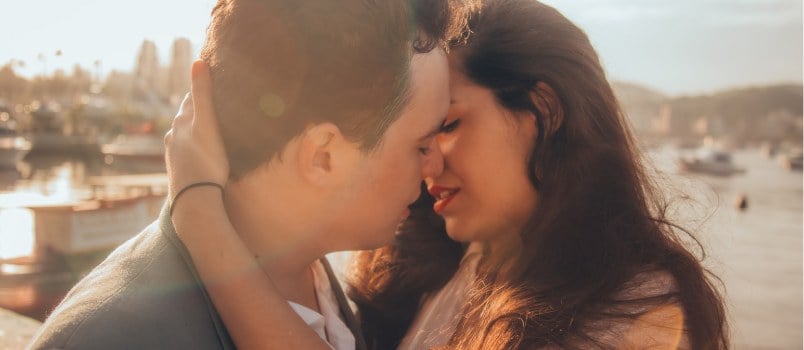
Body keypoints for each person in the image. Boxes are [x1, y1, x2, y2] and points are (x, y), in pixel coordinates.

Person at [167, 0, 729, 349]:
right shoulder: (455, 265)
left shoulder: (636, 306)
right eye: (420, 134)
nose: (429, 159)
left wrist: (199, 212)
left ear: (544, 112)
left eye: (451, 123)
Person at [27, 0, 474, 348]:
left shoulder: (314, 279)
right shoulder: (107, 339)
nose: (434, 164)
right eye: (420, 145)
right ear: (323, 156)